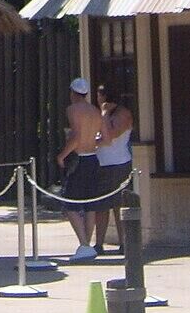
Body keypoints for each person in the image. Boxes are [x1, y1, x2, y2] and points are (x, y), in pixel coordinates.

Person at [56, 76, 105, 261]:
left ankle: (84, 244)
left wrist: (62, 155)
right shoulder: (95, 111)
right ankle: (86, 244)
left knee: (70, 203)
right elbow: (105, 139)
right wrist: (91, 141)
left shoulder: (73, 109)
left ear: (72, 93)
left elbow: (76, 136)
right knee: (90, 203)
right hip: (93, 158)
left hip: (80, 160)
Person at [91, 83, 135, 252]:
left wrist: (104, 115)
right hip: (101, 163)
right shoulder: (101, 114)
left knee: (119, 205)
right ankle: (99, 243)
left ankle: (124, 243)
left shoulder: (122, 114)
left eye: (99, 95)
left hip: (119, 164)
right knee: (101, 207)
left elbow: (109, 137)